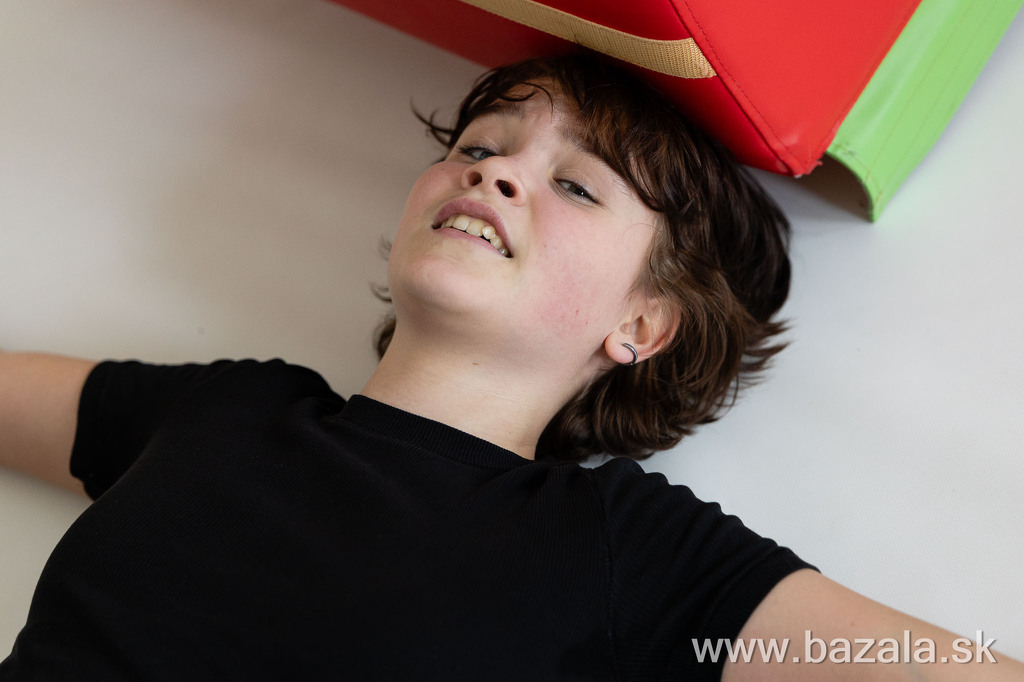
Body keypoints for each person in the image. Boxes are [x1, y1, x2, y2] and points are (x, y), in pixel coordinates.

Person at [0, 53, 1020, 681]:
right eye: (480, 145)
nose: (492, 173)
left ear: (643, 323)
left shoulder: (622, 550)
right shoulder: (228, 407)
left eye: (576, 186)